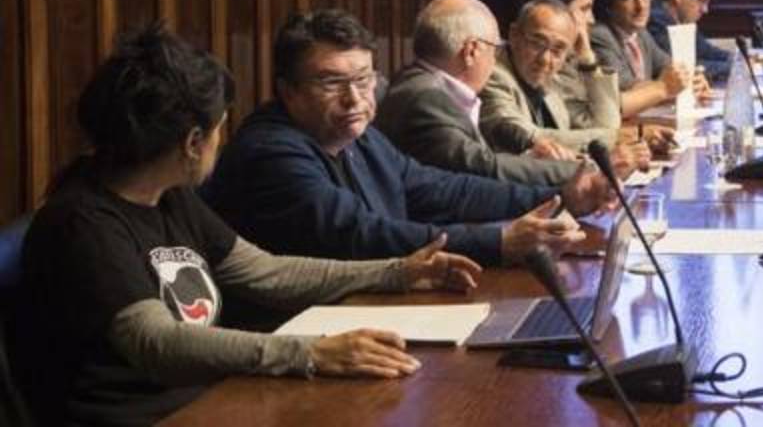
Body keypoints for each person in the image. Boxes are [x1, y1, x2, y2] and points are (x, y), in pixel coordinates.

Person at [15, 24, 483, 427]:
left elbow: (265, 272)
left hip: (210, 401)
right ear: (193, 142)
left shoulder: (170, 196)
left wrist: (396, 272)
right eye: (219, 128)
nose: (221, 141)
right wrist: (311, 353)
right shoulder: (81, 221)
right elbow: (157, 342)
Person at [204, 9, 612, 270]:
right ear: (288, 90)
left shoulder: (358, 136)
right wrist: (499, 242)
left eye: (363, 79)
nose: (354, 99)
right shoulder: (271, 152)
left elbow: (441, 189)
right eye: (331, 83)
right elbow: (362, 235)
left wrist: (559, 196)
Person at [375, 0, 599, 187]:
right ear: (472, 51)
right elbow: (482, 168)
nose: (495, 59)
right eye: (495, 48)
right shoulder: (426, 98)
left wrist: (530, 157)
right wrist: (585, 171)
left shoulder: (423, 86)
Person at [527, 0, 666, 163]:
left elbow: (607, 126)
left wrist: (586, 57)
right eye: (585, 10)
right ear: (557, 13)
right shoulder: (549, 66)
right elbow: (605, 126)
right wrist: (636, 132)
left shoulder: (571, 60)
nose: (591, 20)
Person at [480, 0, 621, 154]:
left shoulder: (553, 80)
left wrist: (587, 60)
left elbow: (605, 124)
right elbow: (528, 137)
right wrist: (608, 137)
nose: (545, 59)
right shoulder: (491, 74)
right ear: (514, 35)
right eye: (537, 44)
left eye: (558, 49)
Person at [590, 0, 709, 118]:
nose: (641, 6)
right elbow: (625, 88)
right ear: (609, 4)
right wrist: (672, 86)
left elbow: (671, 68)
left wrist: (692, 80)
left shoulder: (641, 34)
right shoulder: (600, 35)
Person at [647, 0, 733, 81]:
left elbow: (707, 51)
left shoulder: (683, 20)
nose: (705, 10)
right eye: (701, 0)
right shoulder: (655, 21)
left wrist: (740, 59)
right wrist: (736, 68)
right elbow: (684, 68)